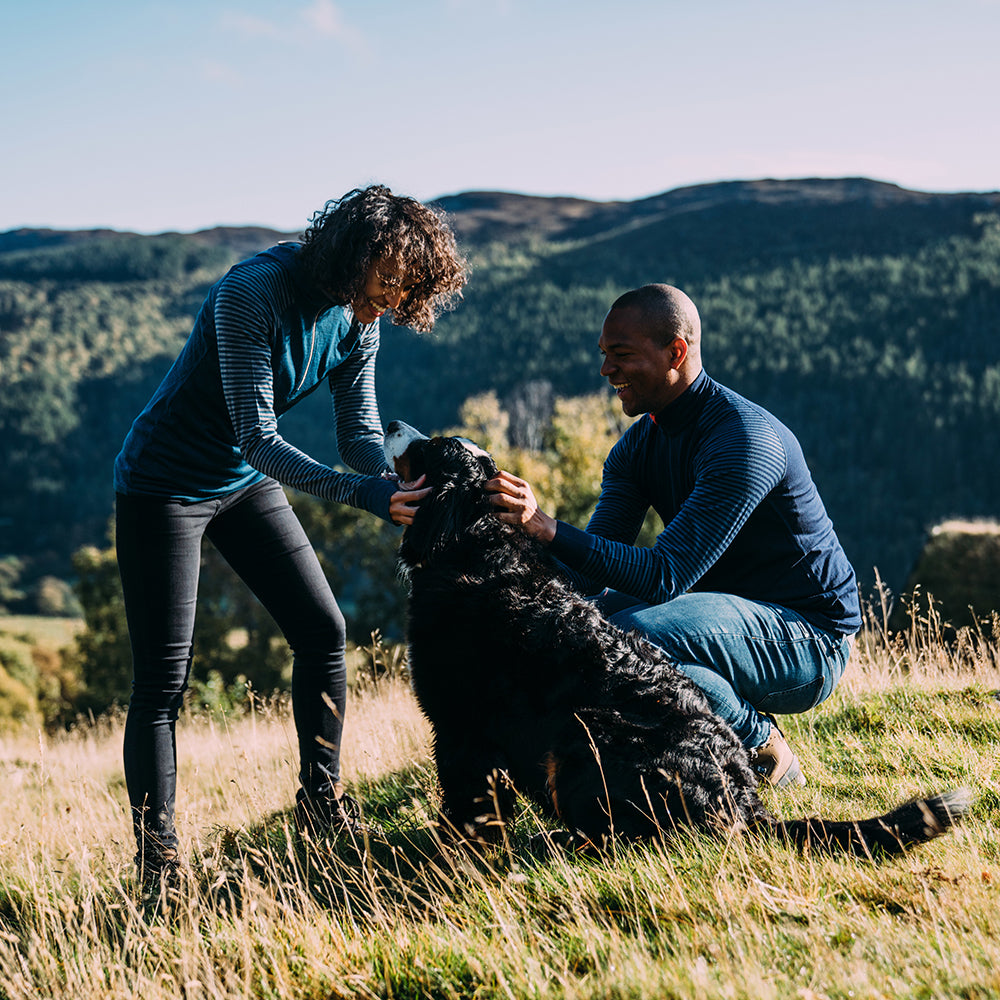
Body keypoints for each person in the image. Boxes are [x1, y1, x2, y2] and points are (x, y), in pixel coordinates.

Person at [113, 185, 466, 887]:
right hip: (164, 487)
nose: (390, 306)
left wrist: (396, 479)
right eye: (386, 285)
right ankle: (159, 863)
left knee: (322, 629)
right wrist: (369, 495)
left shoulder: (359, 316)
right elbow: (258, 436)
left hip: (241, 482)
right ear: (353, 254)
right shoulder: (254, 294)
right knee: (163, 681)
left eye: (404, 294)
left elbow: (358, 433)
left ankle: (320, 806)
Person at [486, 283, 860, 788]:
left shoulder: (744, 439)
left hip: (809, 636)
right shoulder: (636, 449)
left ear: (676, 352)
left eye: (621, 356)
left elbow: (664, 577)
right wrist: (496, 555)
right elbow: (585, 576)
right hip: (720, 614)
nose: (605, 371)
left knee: (632, 640)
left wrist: (545, 526)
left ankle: (761, 750)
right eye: (603, 355)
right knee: (577, 632)